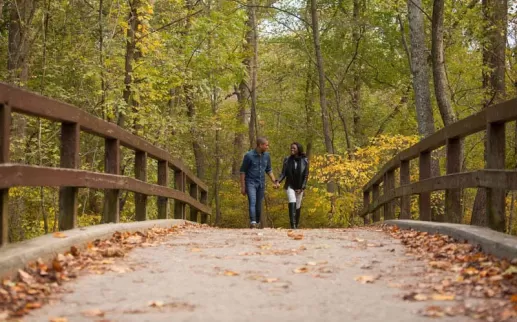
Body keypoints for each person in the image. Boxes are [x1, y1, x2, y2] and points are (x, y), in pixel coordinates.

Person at [240, 137, 279, 228]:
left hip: (261, 183)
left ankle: (256, 223)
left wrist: (274, 181)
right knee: (252, 201)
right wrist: (243, 187)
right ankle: (253, 222)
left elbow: (269, 170)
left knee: (258, 204)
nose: (267, 147)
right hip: (250, 182)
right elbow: (242, 172)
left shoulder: (267, 156)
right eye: (266, 145)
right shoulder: (248, 156)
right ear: (260, 145)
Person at [276, 142, 309, 229]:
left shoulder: (305, 161)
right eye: (291, 148)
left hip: (299, 186)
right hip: (290, 185)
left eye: (294, 148)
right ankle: (293, 226)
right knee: (292, 200)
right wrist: (278, 181)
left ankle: (296, 225)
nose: (292, 149)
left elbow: (306, 176)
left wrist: (302, 187)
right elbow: (283, 173)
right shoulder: (287, 160)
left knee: (297, 206)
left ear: (298, 149)